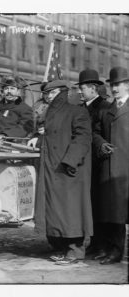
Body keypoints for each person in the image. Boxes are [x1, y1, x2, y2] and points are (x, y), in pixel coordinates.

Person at [29, 80, 93, 265]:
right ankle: (63, 247)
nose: (46, 97)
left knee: (71, 210)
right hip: (53, 167)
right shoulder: (53, 111)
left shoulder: (76, 110)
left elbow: (83, 137)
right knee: (57, 210)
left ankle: (75, 251)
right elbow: (51, 137)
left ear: (58, 92)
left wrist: (70, 161)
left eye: (49, 93)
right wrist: (38, 140)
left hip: (68, 169)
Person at [92, 66, 129, 264]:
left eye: (118, 85)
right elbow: (95, 132)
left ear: (127, 85)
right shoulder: (106, 109)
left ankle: (117, 250)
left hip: (125, 168)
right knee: (108, 209)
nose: (114, 89)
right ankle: (108, 248)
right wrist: (101, 144)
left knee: (120, 211)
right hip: (107, 165)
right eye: (112, 85)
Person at [75, 69, 112, 257]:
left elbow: (103, 134)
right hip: (85, 163)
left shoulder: (104, 107)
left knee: (99, 206)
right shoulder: (82, 107)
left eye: (82, 88)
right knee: (90, 205)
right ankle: (95, 243)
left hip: (98, 163)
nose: (80, 92)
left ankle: (102, 245)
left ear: (92, 88)